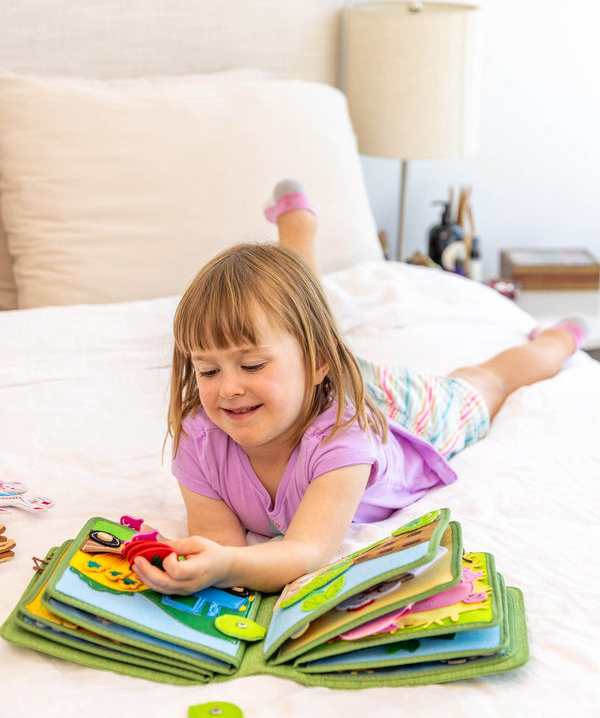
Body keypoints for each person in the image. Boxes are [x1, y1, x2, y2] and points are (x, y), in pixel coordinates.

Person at [133, 181, 588, 596]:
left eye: (250, 364)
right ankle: (298, 224)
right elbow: (220, 545)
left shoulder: (342, 440)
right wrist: (209, 565)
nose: (227, 388)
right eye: (208, 371)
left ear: (318, 364)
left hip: (400, 413)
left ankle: (559, 338)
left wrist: (229, 565)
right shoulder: (201, 437)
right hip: (317, 386)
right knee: (293, 315)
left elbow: (307, 551)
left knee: (487, 381)